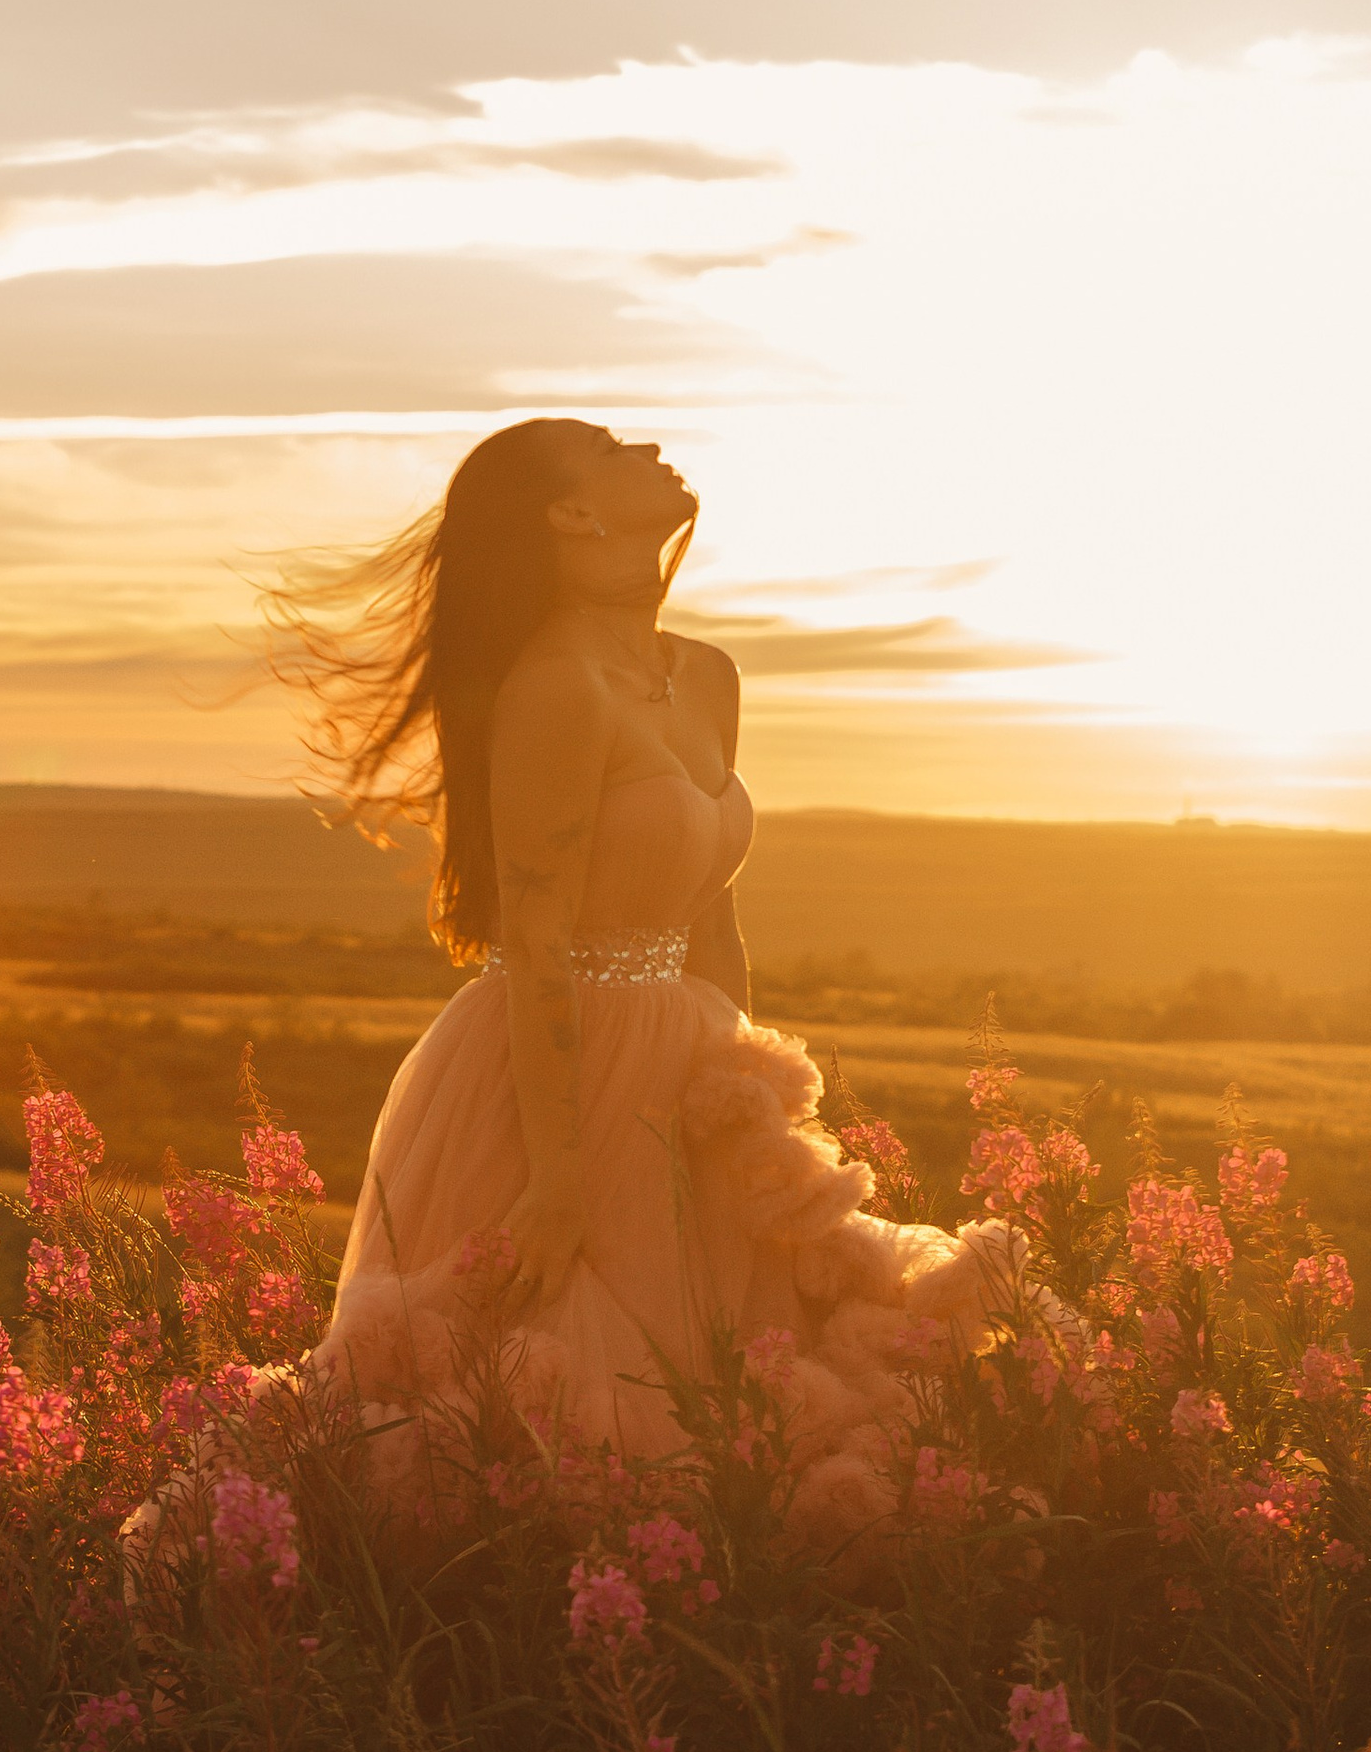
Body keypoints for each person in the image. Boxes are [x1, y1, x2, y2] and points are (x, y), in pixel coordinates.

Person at [276, 417, 1029, 1552]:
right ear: (569, 516)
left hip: (689, 1063)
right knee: (576, 1407)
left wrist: (757, 1103)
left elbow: (710, 910)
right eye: (613, 446)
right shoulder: (555, 689)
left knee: (739, 1377)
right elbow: (533, 946)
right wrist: (562, 1178)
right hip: (558, 1072)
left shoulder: (704, 677)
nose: (653, 449)